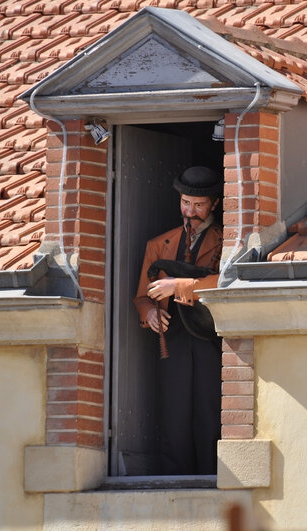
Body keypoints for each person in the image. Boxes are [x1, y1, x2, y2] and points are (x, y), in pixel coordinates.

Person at [133, 166, 223, 475]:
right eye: (186, 202)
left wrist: (179, 286)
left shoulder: (226, 240)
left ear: (214, 204)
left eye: (199, 205)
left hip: (210, 337)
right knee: (173, 415)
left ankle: (212, 477)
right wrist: (150, 313)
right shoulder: (159, 244)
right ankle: (175, 480)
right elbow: (142, 296)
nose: (191, 211)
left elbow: (224, 282)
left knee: (210, 414)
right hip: (172, 339)